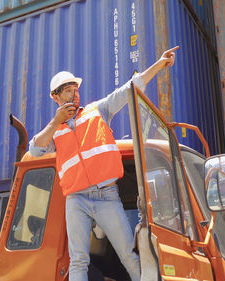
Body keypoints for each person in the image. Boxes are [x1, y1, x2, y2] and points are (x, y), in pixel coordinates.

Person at [29, 46, 179, 281]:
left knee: (129, 256)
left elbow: (131, 88)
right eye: (68, 91)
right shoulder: (54, 131)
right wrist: (55, 121)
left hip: (106, 195)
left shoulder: (97, 110)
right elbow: (35, 150)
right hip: (76, 200)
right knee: (78, 261)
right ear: (56, 97)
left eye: (76, 90)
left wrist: (159, 64)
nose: (74, 94)